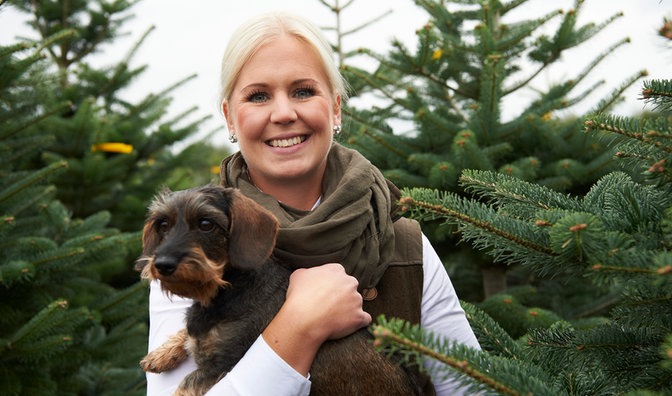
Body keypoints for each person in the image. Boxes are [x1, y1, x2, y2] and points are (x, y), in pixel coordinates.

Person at [146, 11, 482, 395]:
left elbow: (473, 388)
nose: (284, 113)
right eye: (258, 96)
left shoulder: (402, 243)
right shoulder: (191, 251)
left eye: (303, 91)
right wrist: (301, 326)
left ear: (335, 108)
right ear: (230, 118)